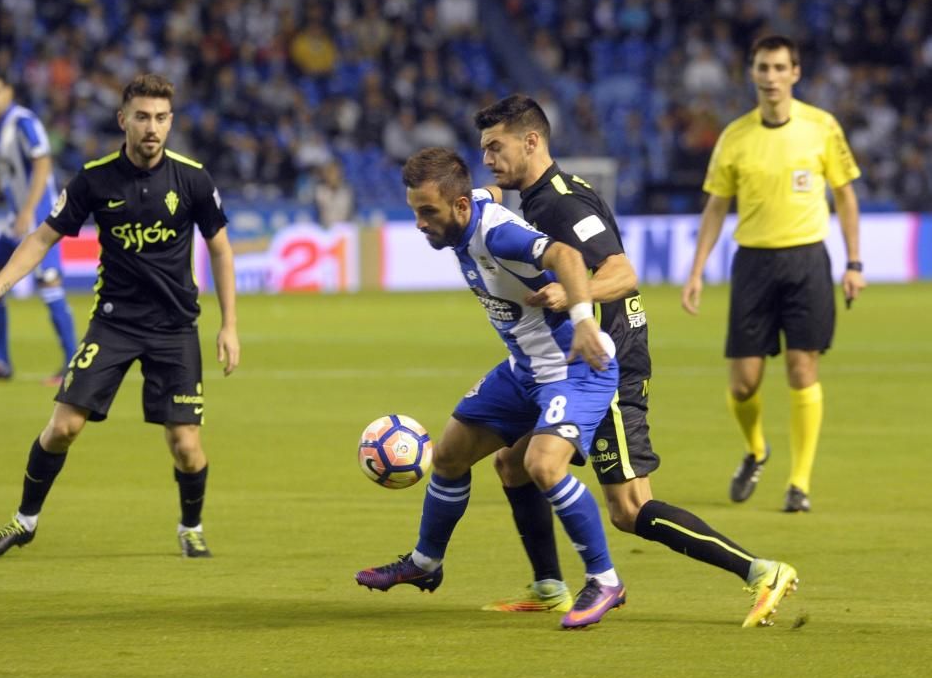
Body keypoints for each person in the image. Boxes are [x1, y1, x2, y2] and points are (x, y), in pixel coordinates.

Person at [473, 94, 797, 628]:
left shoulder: (561, 204)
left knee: (628, 509)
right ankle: (549, 586)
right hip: (571, 365)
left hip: (608, 363)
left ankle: (761, 570)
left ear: (531, 141)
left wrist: (569, 298)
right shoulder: (538, 197)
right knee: (512, 463)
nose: (488, 158)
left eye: (495, 147)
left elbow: (623, 272)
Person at [0, 74, 240, 559]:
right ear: (123, 120)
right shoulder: (94, 179)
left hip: (174, 327)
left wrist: (229, 325)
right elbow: (42, 238)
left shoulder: (192, 178)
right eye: (142, 117)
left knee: (185, 445)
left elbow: (220, 249)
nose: (151, 128)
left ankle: (190, 526)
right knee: (63, 427)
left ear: (170, 122)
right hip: (114, 322)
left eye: (160, 118)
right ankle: (24, 520)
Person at [355, 146, 625, 630]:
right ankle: (425, 564)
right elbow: (490, 190)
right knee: (452, 454)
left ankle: (605, 579)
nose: (419, 223)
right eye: (415, 210)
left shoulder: (498, 234)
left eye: (427, 212)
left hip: (575, 364)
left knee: (540, 465)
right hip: (524, 369)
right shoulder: (471, 201)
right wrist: (483, 189)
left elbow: (563, 253)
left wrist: (583, 318)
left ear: (459, 208)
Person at [681, 35, 864, 513]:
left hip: (807, 260)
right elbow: (717, 206)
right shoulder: (735, 137)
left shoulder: (822, 128)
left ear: (795, 73)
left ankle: (799, 483)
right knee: (743, 383)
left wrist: (854, 262)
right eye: (763, 67)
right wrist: (697, 271)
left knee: (803, 370)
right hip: (754, 264)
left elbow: (845, 196)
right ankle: (757, 450)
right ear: (752, 73)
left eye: (780, 68)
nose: (771, 77)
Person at [0, 70, 77, 384]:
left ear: (8, 92)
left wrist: (29, 210)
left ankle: (73, 364)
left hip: (40, 220)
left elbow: (43, 164)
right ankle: (1, 361)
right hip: (15, 221)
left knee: (50, 286)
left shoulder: (24, 123)